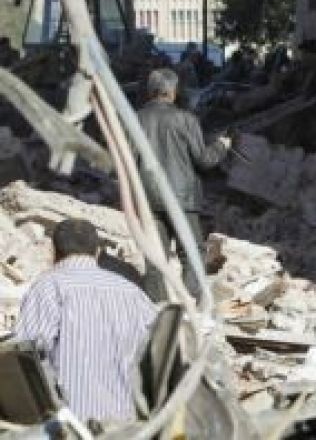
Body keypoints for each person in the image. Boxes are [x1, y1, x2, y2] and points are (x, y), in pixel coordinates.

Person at [16, 219, 156, 424]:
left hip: (73, 425)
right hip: (131, 425)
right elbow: (158, 350)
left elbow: (25, 355)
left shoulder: (48, 286)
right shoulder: (132, 292)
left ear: (54, 252)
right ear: (97, 252)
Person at [137, 68, 231, 298]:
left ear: (150, 91)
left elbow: (123, 158)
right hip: (182, 198)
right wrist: (222, 146)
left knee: (154, 255)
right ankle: (190, 303)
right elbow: (204, 160)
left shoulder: (135, 118)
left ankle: (157, 305)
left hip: (146, 197)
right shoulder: (186, 119)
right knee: (192, 253)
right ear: (173, 91)